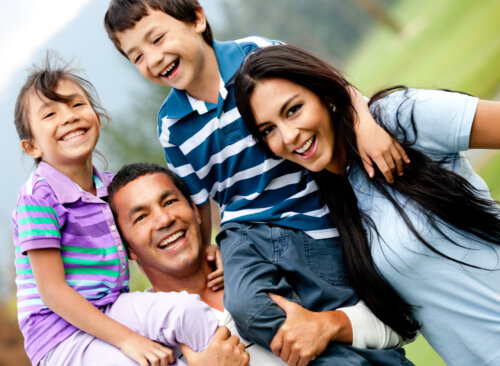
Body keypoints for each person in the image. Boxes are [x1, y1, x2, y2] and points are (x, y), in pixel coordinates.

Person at [104, 2, 417, 364]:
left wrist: (366, 126)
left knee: (342, 305)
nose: (153, 59)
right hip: (243, 233)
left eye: (157, 39)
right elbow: (198, 200)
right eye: (137, 56)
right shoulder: (172, 127)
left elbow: (334, 87)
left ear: (196, 19)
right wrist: (208, 250)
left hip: (309, 217)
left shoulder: (256, 55)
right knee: (247, 307)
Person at [233, 44, 500, 366]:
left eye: (293, 110)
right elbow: (402, 320)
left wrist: (364, 113)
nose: (289, 136)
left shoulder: (396, 119)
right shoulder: (330, 206)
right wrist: (328, 324)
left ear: (324, 95)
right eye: (269, 129)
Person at [12, 58, 249, 366]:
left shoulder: (110, 189)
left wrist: (209, 248)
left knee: (187, 311)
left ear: (98, 117)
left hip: (109, 307)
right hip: (60, 335)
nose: (68, 117)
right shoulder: (38, 197)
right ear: (32, 148)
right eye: (50, 114)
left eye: (76, 105)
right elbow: (53, 292)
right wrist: (128, 340)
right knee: (150, 360)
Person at [107, 162, 407, 366]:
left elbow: (398, 325)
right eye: (141, 217)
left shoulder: (267, 253)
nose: (164, 219)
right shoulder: (141, 332)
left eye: (170, 201)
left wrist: (330, 326)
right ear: (128, 249)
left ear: (196, 212)